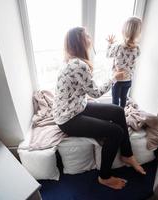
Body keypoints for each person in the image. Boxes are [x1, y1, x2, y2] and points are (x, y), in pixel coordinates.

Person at [53, 27, 146, 190]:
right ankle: (104, 177)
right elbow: (95, 93)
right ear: (79, 41)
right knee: (115, 131)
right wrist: (114, 78)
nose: (90, 37)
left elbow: (85, 89)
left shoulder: (72, 60)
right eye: (86, 35)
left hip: (76, 107)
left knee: (117, 111)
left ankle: (127, 154)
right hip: (68, 119)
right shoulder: (78, 64)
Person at [106, 17, 142, 108]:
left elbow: (108, 55)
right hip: (128, 80)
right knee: (123, 98)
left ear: (123, 31)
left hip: (117, 80)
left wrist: (110, 44)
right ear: (138, 33)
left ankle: (115, 118)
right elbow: (137, 55)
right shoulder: (137, 48)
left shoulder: (118, 46)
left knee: (115, 100)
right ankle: (122, 113)